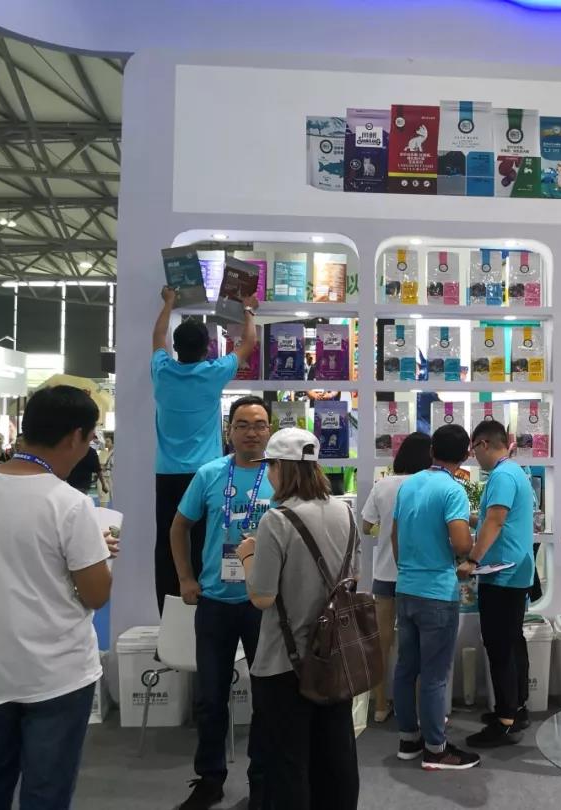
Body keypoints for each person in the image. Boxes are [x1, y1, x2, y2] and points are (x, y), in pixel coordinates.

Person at [0, 385, 117, 808]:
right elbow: (96, 593)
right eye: (91, 438)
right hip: (56, 674)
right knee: (46, 793)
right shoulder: (69, 504)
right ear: (75, 437)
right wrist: (99, 556)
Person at [238, 428, 359, 810]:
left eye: (271, 466)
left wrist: (247, 556)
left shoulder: (277, 521)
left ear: (281, 467)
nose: (269, 474)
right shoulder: (344, 511)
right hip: (334, 655)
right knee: (335, 755)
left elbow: (261, 596)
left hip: (284, 662)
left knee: (288, 761)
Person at [170, 395, 273, 810]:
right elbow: (179, 527)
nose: (252, 432)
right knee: (210, 698)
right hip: (214, 601)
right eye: (243, 424)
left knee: (267, 698)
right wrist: (185, 577)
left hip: (262, 604)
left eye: (260, 424)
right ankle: (210, 779)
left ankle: (263, 781)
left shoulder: (281, 475)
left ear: (269, 431)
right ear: (229, 431)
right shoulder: (210, 474)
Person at [153, 285, 258, 613]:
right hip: (206, 473)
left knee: (168, 542)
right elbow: (249, 343)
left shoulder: (162, 371)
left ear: (176, 348)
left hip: (167, 474)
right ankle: (206, 602)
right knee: (206, 540)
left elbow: (157, 339)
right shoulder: (213, 373)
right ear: (207, 348)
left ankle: (171, 612)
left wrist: (169, 303)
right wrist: (248, 309)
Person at [390, 424, 480, 771]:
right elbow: (460, 543)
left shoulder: (409, 484)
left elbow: (395, 535)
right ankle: (436, 749)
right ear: (466, 455)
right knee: (434, 674)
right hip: (437, 593)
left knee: (406, 668)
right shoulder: (452, 489)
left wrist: (408, 568)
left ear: (431, 451)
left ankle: (408, 739)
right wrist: (471, 548)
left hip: (406, 587)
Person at [458, 420, 536, 747]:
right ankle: (516, 709)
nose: (473, 456)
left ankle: (505, 722)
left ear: (484, 444)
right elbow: (492, 518)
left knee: (500, 646)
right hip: (514, 571)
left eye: (473, 449)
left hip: (502, 572)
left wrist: (472, 560)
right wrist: (465, 517)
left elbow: (496, 520)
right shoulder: (513, 472)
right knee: (513, 642)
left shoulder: (502, 476)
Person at [360, 432, 432, 723]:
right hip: (418, 575)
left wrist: (385, 529)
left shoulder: (383, 485)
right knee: (417, 645)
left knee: (382, 643)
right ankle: (415, 707)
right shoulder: (429, 484)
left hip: (385, 574)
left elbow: (366, 527)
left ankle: (380, 706)